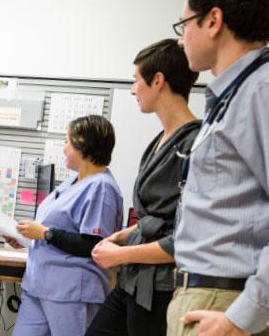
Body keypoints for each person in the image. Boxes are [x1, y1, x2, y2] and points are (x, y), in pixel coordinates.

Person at [168, 0, 269, 335]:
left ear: (213, 21)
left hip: (230, 303)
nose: (180, 39)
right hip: (212, 299)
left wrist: (242, 317)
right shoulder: (239, 94)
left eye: (184, 23)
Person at [86, 39, 200, 336]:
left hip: (159, 288)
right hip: (133, 280)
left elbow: (181, 239)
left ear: (158, 80)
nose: (133, 89)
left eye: (136, 79)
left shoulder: (194, 145)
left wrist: (120, 255)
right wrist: (121, 236)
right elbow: (155, 219)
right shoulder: (161, 141)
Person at [5, 115, 123, 336]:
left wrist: (44, 234)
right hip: (39, 286)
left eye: (67, 142)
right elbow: (56, 230)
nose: (64, 148)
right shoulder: (72, 181)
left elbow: (93, 245)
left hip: (71, 293)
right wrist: (26, 239)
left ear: (83, 146)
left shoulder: (102, 188)